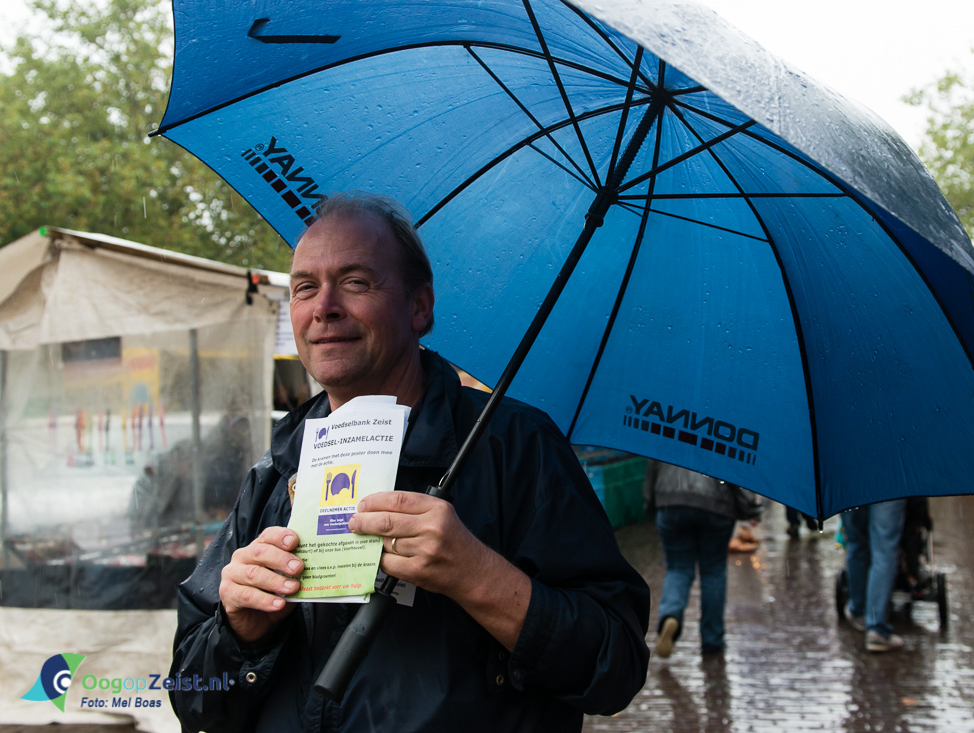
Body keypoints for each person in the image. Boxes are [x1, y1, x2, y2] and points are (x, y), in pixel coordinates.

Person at [169, 193, 650, 732]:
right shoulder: (277, 468)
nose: (323, 306)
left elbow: (617, 666)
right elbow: (192, 698)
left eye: (356, 283)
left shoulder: (516, 446)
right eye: (305, 287)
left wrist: (479, 576)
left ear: (419, 308)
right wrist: (238, 633)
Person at [644, 460, 761, 658]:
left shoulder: (669, 428)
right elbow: (736, 469)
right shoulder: (729, 427)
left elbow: (653, 465)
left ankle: (670, 615)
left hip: (671, 501)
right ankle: (712, 640)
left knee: (678, 567)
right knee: (713, 571)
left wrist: (651, 503)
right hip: (717, 506)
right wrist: (751, 509)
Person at [838, 499, 907, 652]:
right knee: (884, 550)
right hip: (888, 482)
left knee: (856, 544)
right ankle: (876, 628)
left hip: (850, 482)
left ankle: (859, 611)